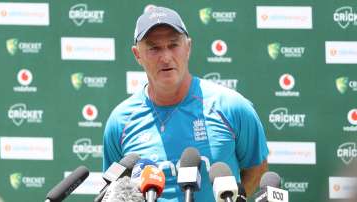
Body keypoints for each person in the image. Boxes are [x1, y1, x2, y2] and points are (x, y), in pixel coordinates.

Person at [103, 6, 269, 201]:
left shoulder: (232, 107)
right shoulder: (120, 121)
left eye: (173, 45)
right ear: (137, 54)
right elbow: (115, 188)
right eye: (154, 48)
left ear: (188, 47)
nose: (165, 57)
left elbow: (256, 167)